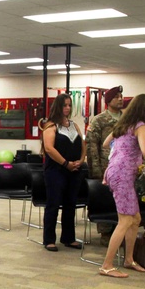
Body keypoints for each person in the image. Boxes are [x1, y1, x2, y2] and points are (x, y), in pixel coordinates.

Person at [99, 93, 145, 279]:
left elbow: (107, 143)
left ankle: (129, 259)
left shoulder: (123, 125)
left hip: (116, 171)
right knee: (125, 220)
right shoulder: (140, 126)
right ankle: (107, 265)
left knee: (135, 218)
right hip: (123, 175)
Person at [41, 93, 85, 251]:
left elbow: (82, 143)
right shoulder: (50, 126)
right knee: (53, 204)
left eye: (69, 105)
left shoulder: (74, 125)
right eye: (64, 105)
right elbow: (49, 149)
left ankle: (68, 237)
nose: (67, 108)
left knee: (70, 204)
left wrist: (81, 160)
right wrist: (66, 163)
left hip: (74, 170)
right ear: (58, 107)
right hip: (56, 171)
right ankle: (49, 239)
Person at [85, 86, 123, 245]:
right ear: (108, 101)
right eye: (117, 97)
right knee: (106, 199)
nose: (120, 99)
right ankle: (105, 232)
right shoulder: (99, 120)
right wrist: (96, 169)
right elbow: (92, 145)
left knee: (121, 201)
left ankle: (120, 230)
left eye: (121, 96)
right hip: (105, 167)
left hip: (124, 167)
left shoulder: (127, 118)